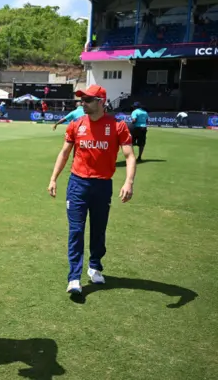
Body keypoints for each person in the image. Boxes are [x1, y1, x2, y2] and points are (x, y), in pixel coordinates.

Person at [47, 85, 136, 295]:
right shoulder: (76, 125)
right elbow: (64, 154)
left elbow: (129, 156)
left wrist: (129, 181)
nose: (82, 103)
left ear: (100, 102)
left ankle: (95, 266)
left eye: (87, 100)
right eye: (82, 99)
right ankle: (74, 278)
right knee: (76, 231)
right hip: (78, 184)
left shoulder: (118, 126)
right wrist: (53, 179)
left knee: (99, 229)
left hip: (103, 185)